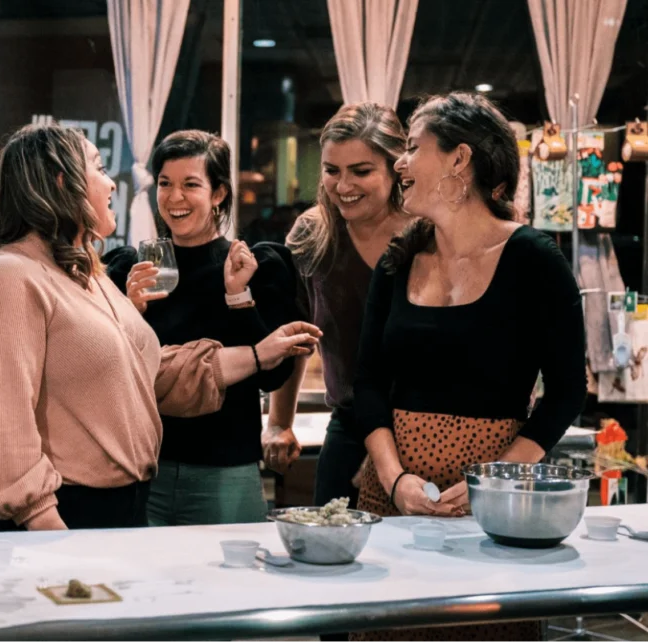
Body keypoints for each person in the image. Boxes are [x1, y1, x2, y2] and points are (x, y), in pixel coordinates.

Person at [0, 124, 321, 532]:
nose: (112, 184)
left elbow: (147, 374)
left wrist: (257, 354)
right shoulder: (8, 276)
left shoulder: (83, 271)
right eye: (100, 168)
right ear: (62, 181)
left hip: (117, 506)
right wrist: (45, 526)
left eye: (190, 184)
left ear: (219, 194)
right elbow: (2, 424)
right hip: (61, 511)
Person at [351, 92, 586, 642]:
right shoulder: (398, 261)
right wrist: (395, 480)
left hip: (495, 505)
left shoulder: (536, 262)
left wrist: (493, 481)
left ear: (460, 159)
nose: (399, 163)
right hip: (391, 497)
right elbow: (367, 383)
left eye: (411, 147)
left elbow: (567, 393)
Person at [105, 130, 309, 526]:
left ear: (218, 194)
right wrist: (129, 311)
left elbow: (276, 373)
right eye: (165, 183)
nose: (174, 197)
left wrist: (239, 297)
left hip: (226, 471)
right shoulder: (133, 270)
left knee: (232, 585)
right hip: (144, 468)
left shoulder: (253, 265)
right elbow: (108, 373)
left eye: (190, 185)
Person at [265, 103, 412, 515]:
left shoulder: (425, 231)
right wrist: (280, 423)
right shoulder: (313, 232)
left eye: (361, 171)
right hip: (349, 429)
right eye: (332, 170)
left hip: (424, 429)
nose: (343, 184)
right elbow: (295, 334)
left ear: (395, 167)